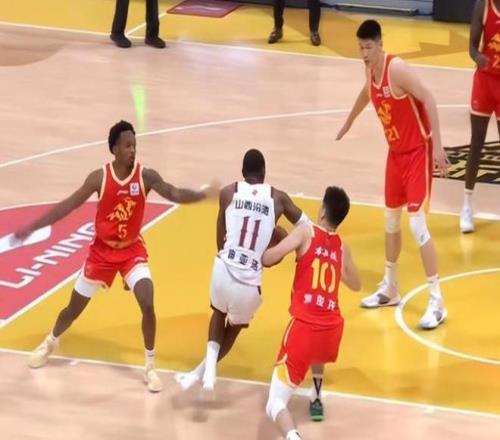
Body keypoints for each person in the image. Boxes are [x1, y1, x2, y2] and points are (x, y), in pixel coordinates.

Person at [17, 120, 218, 392]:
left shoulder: (145, 176)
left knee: (147, 300)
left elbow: (173, 193)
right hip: (101, 252)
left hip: (131, 251)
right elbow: (68, 206)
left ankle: (150, 366)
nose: (133, 150)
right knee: (73, 309)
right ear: (114, 149)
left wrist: (201, 195)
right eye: (127, 146)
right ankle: (51, 341)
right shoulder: (99, 177)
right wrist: (33, 226)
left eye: (134, 145)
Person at [336, 19, 450, 329]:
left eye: (368, 47)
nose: (364, 53)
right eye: (360, 48)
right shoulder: (369, 70)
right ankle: (390, 288)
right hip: (396, 155)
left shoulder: (396, 68)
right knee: (390, 221)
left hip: (418, 152)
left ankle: (437, 301)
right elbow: (366, 93)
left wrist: (438, 146)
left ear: (380, 45)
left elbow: (429, 98)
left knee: (417, 224)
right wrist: (349, 122)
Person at [175, 149, 310, 394]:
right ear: (264, 173)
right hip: (249, 283)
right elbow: (306, 226)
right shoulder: (278, 198)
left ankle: (204, 373)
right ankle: (203, 371)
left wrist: (227, 259)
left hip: (223, 268)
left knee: (218, 312)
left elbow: (220, 236)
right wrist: (284, 241)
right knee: (235, 326)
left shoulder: (228, 192)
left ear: (242, 172)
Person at [262, 186, 360, 440]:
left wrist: (261, 245)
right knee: (318, 346)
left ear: (323, 210)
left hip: (304, 329)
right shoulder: (342, 247)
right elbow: (357, 284)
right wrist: (336, 269)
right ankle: (316, 395)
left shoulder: (305, 232)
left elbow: (269, 257)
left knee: (274, 404)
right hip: (332, 330)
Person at [460, 0, 500, 233]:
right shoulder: (482, 6)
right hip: (484, 82)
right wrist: (478, 58)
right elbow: (472, 48)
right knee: (477, 142)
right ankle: (466, 204)